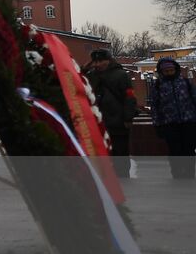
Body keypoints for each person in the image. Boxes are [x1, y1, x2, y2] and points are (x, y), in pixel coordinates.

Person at [84, 48, 136, 178]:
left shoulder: (121, 75)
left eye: (101, 61)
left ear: (108, 60)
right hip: (99, 122)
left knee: (120, 152)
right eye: (95, 62)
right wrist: (84, 68)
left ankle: (122, 176)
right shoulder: (91, 75)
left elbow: (129, 97)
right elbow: (75, 76)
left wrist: (128, 117)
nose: (97, 64)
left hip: (118, 121)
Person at [146, 57, 196, 179]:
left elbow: (194, 100)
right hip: (169, 123)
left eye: (171, 70)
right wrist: (157, 124)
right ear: (161, 72)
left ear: (176, 69)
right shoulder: (157, 86)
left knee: (189, 150)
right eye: (166, 71)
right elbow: (155, 106)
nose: (169, 73)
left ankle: (189, 173)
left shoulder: (185, 83)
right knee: (175, 150)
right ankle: (177, 173)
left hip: (188, 121)